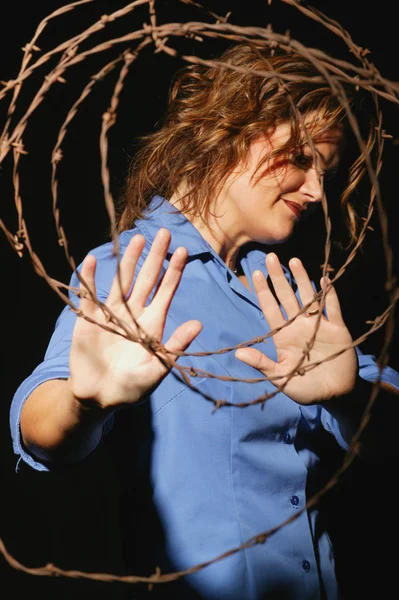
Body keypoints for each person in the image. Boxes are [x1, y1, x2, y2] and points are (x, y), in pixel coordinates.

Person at [9, 43, 399, 599]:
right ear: (231, 127)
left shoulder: (287, 289)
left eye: (326, 173)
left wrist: (349, 397)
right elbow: (38, 425)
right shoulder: (136, 271)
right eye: (302, 157)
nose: (317, 191)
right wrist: (82, 401)